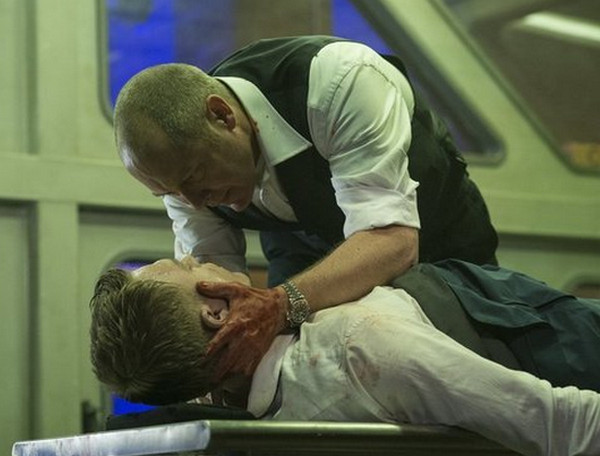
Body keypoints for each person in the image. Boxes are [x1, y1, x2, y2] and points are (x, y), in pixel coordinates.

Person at [113, 35, 499, 381]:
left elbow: (393, 240)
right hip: (300, 254)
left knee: (464, 371)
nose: (195, 203)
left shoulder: (338, 81)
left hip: (438, 247)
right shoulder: (183, 175)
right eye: (170, 194)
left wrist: (282, 304)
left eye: (195, 177)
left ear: (223, 116)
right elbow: (217, 291)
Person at [90, 256, 600, 456]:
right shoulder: (360, 346)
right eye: (184, 264)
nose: (196, 256)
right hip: (546, 335)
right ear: (218, 311)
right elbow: (561, 424)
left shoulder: (232, 402)